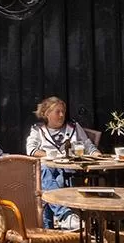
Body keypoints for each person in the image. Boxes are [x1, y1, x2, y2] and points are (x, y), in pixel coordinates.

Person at [25, 96, 96, 229]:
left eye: (63, 111)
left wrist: (98, 155)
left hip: (70, 169)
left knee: (54, 180)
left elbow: (88, 146)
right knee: (46, 171)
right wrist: (54, 156)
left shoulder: (73, 127)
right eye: (58, 112)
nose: (62, 115)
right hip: (48, 167)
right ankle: (65, 216)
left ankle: (53, 226)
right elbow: (31, 150)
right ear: (46, 114)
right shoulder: (37, 130)